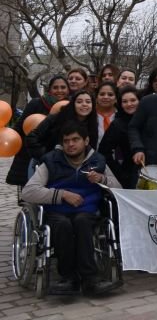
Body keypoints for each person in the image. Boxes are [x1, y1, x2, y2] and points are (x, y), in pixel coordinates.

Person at [21, 121, 122, 295]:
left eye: (75, 140)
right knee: (63, 225)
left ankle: (90, 279)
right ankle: (69, 278)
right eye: (66, 141)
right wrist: (62, 195)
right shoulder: (51, 161)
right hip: (57, 211)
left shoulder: (97, 161)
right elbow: (28, 192)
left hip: (87, 211)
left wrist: (102, 179)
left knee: (82, 222)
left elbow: (118, 188)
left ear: (86, 140)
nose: (71, 144)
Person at [6, 75, 69, 189]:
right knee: (31, 196)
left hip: (59, 158)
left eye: (63, 87)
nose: (59, 90)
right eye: (55, 87)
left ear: (68, 89)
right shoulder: (36, 103)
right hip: (31, 157)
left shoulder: (71, 106)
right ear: (49, 90)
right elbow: (20, 127)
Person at [27, 89, 99, 163]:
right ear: (73, 104)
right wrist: (46, 156)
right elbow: (32, 138)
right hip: (49, 166)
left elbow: (91, 150)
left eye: (88, 102)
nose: (84, 104)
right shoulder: (56, 118)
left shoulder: (92, 125)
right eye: (79, 102)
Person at [98, 85, 140, 188]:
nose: (129, 104)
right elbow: (103, 151)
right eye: (125, 101)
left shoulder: (148, 120)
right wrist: (120, 173)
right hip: (129, 175)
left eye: (133, 100)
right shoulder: (118, 124)